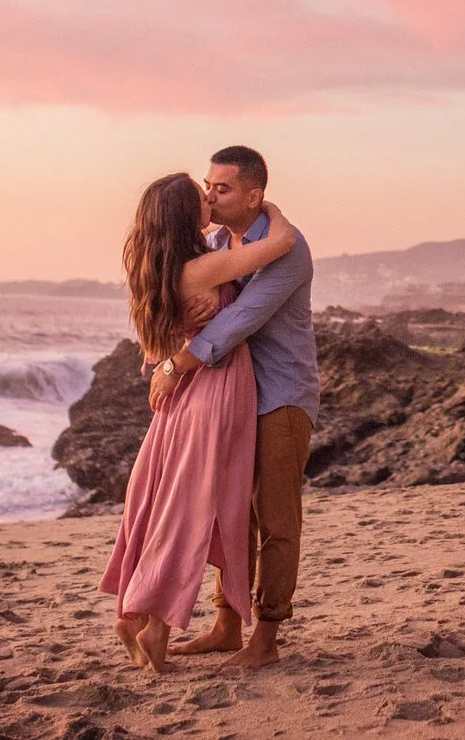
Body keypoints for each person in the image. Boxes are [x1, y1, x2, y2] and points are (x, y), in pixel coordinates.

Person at [98, 170, 296, 673]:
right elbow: (283, 243)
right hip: (216, 390)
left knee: (172, 501)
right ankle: (155, 626)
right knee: (193, 509)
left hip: (183, 397)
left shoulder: (162, 267)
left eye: (214, 188)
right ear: (187, 215)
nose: (209, 197)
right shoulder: (205, 265)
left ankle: (138, 613)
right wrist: (269, 209)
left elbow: (164, 342)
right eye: (201, 193)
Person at [151, 145, 318, 671]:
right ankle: (226, 624)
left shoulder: (287, 250)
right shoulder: (219, 242)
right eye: (208, 185)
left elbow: (242, 317)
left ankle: (266, 637)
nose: (210, 196)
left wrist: (178, 364)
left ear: (254, 195)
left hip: (281, 395)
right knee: (230, 513)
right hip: (230, 393)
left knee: (275, 517)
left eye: (221, 189)